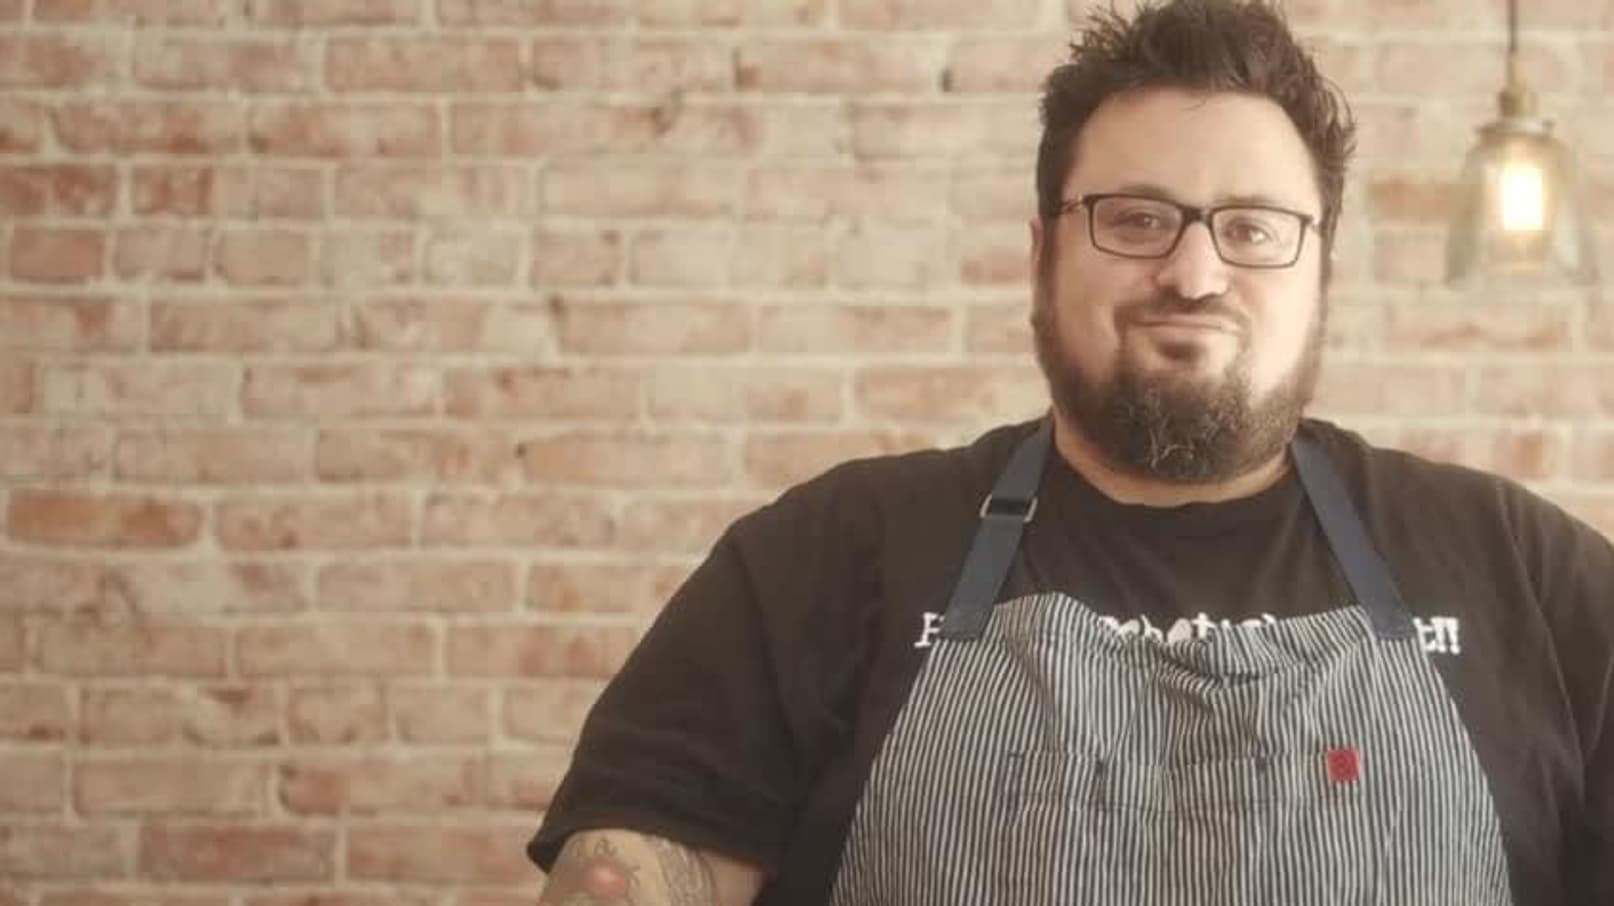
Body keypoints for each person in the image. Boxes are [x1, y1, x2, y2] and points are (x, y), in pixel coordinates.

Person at [526, 1, 1613, 903]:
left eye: (1252, 228)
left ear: (1320, 270)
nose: (1195, 274)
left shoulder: (1524, 573)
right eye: (1136, 219)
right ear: (1041, 253)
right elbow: (631, 872)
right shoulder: (824, 554)